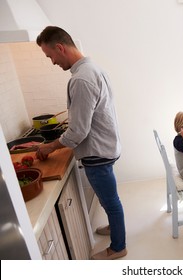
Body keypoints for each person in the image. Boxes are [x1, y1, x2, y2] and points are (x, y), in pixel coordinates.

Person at [35, 26, 127, 260]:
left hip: (97, 151)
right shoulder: (92, 68)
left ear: (60, 48)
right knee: (109, 198)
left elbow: (78, 132)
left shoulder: (81, 79)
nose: (52, 62)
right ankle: (115, 228)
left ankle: (118, 247)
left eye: (50, 56)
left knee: (111, 200)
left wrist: (49, 146)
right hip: (106, 145)